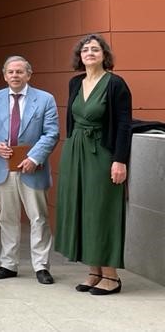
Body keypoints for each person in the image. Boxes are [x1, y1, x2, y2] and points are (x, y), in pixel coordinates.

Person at [55, 34, 133, 296]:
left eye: (95, 49)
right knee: (82, 209)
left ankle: (111, 275)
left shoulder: (116, 84)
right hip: (76, 151)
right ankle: (93, 271)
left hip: (102, 152)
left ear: (104, 55)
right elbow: (72, 120)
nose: (89, 53)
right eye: (85, 49)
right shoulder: (75, 82)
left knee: (102, 210)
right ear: (80, 56)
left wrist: (119, 160)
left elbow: (123, 124)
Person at [0, 56, 59, 284]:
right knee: (8, 218)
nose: (15, 75)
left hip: (33, 167)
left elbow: (51, 133)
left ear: (28, 75)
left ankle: (41, 266)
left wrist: (35, 157)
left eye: (19, 72)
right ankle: (8, 264)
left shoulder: (45, 99)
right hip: (3, 166)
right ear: (4, 76)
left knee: (38, 218)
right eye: (11, 72)